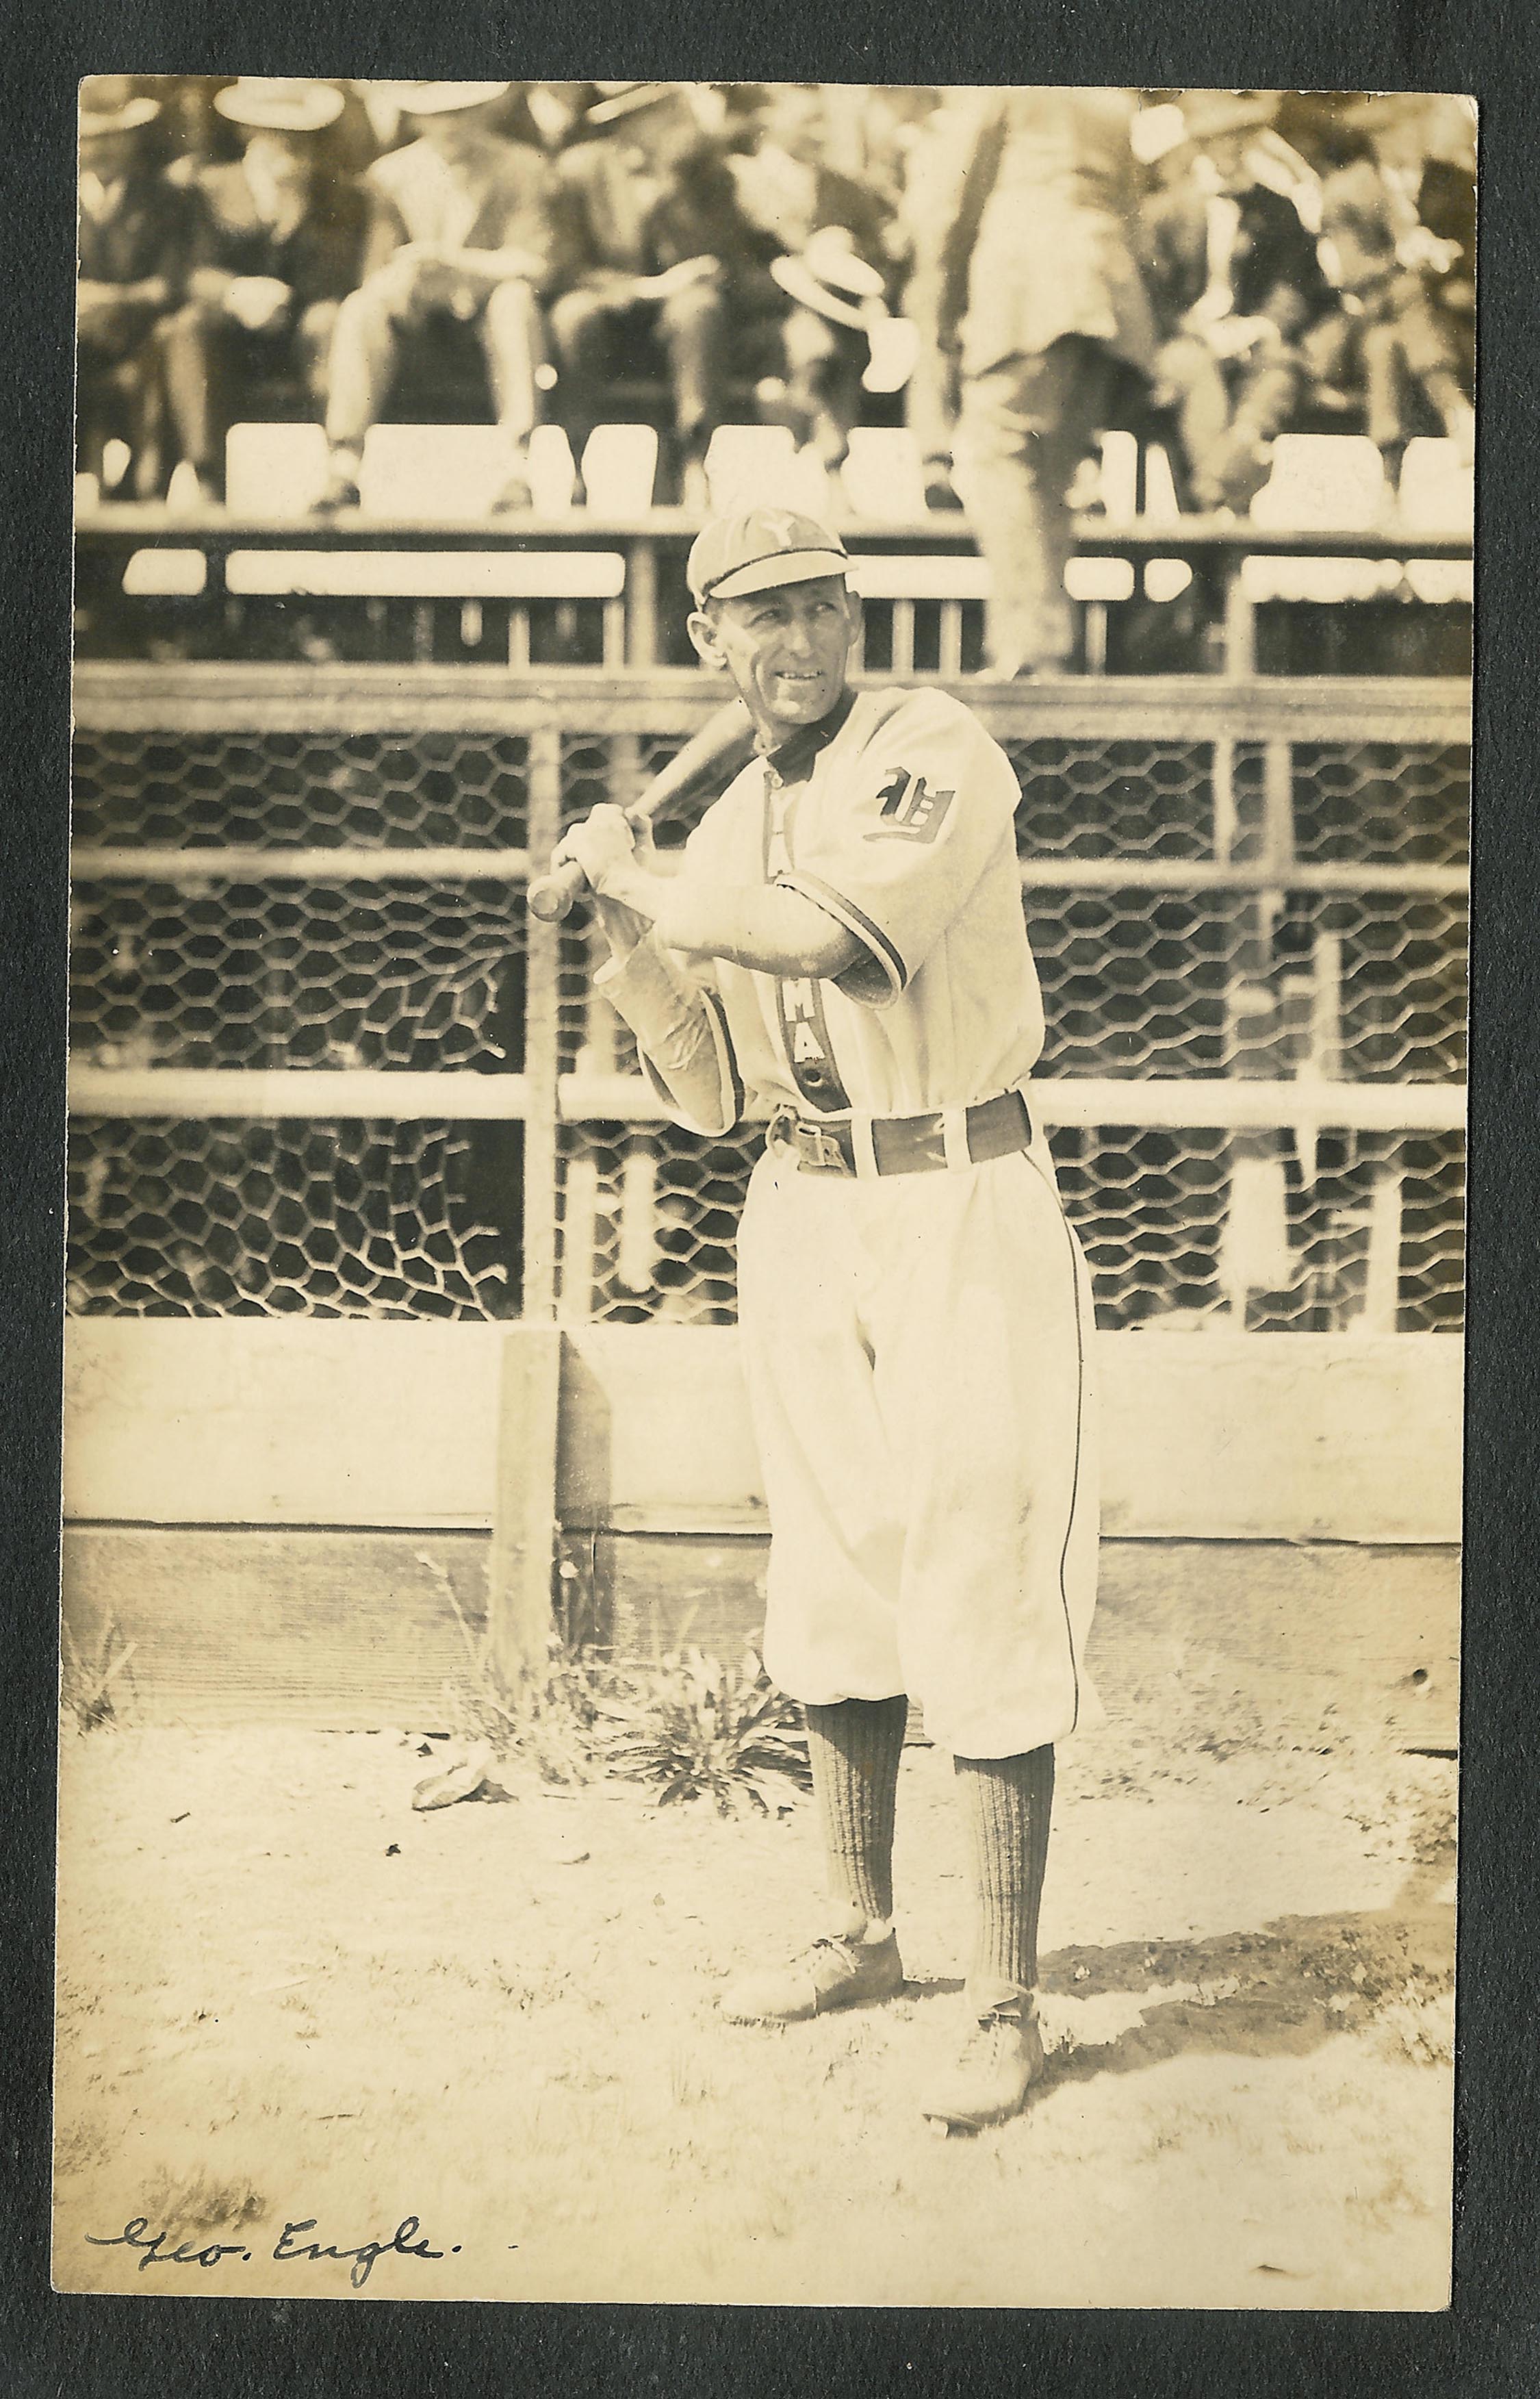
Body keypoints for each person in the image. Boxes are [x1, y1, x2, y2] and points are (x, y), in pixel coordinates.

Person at [550, 507, 1100, 2131]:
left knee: (978, 1567)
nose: (793, 644)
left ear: (853, 619)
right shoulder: (722, 820)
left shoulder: (929, 742)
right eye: (755, 619)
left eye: (818, 607)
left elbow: (847, 944)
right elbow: (712, 1092)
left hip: (959, 1192)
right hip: (801, 1202)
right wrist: (621, 928)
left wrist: (647, 871)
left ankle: (1004, 1993)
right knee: (837, 1564)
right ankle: (857, 1928)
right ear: (705, 645)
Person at [937, 88, 1156, 678]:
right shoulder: (1114, 99)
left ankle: (1026, 647)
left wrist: (940, 318)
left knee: (997, 460)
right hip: (1103, 290)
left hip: (1025, 288)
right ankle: (1048, 649)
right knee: (1051, 473)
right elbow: (1135, 212)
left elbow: (952, 205)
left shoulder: (1002, 85)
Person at [315, 81, 556, 513]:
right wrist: (409, 276)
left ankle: (518, 466)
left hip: (487, 317)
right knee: (360, 308)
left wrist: (457, 265)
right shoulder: (391, 176)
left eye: (462, 112)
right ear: (417, 118)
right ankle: (344, 463)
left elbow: (535, 263)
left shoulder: (522, 167)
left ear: (484, 112)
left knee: (515, 301)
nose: (450, 125)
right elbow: (376, 273)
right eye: (437, 114)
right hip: (417, 327)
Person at [547, 84, 785, 509]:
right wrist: (647, 289)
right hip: (608, 313)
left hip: (677, 330)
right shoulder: (579, 171)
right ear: (627, 124)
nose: (680, 121)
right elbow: (565, 267)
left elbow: (725, 258)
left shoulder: (706, 177)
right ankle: (577, 465)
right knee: (573, 315)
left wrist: (676, 194)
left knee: (701, 308)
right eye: (663, 113)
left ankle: (696, 459)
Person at [158, 80, 368, 503]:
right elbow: (190, 271)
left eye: (294, 135)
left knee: (330, 320)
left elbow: (337, 281)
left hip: (301, 337)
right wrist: (237, 293)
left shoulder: (336, 195)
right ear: (245, 132)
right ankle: (204, 476)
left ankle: (337, 474)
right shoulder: (211, 187)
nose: (281, 143)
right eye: (267, 131)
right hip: (231, 336)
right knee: (186, 329)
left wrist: (293, 211)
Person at [1140, 92, 1335, 512]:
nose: (1230, 148)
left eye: (1238, 137)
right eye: (1217, 139)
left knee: (1282, 370)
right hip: (1188, 341)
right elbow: (1154, 296)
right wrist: (1201, 332)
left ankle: (1223, 477)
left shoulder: (1277, 208)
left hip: (1251, 338)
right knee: (1194, 378)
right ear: (1200, 146)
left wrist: (1259, 326)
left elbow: (1296, 283)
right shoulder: (1168, 211)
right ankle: (1219, 520)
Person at [77, 78, 190, 500]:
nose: (102, 151)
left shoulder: (165, 200)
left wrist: (108, 299)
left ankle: (141, 488)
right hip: (78, 347)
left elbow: (172, 283)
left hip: (142, 341)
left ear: (131, 141)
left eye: (113, 139)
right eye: (90, 139)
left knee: (163, 363)